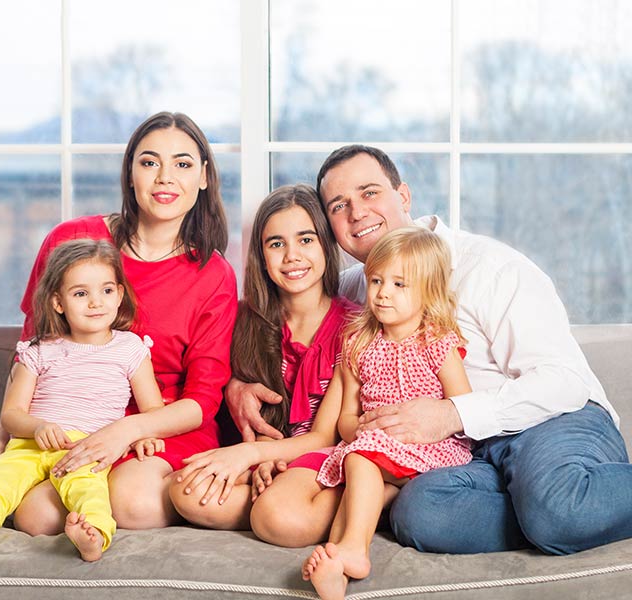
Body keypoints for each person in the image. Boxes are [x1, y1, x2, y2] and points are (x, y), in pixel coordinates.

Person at [227, 144, 631, 556]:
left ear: (403, 196)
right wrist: (238, 384)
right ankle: (535, 506)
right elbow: (291, 343)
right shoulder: (353, 292)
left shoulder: (490, 267)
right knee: (419, 516)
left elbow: (564, 381)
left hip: (548, 422)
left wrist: (452, 414)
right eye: (338, 205)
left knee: (557, 509)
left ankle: (551, 506)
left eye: (369, 193)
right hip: (462, 455)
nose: (357, 213)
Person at [0, 112, 238, 533]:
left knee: (133, 504)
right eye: (149, 162)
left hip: (158, 425)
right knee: (36, 517)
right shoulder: (71, 240)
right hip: (73, 419)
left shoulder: (213, 274)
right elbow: (31, 351)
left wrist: (125, 431)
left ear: (204, 177)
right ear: (130, 173)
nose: (165, 177)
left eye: (183, 164)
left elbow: (202, 400)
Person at [0, 239, 164, 567]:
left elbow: (153, 410)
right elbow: (12, 414)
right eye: (81, 293)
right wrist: (38, 426)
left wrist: (143, 434)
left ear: (120, 295)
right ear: (58, 302)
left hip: (85, 448)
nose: (96, 302)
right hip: (28, 446)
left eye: (107, 291)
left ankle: (94, 535)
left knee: (89, 491)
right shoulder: (38, 350)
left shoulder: (131, 349)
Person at [169, 184, 358, 535]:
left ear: (325, 245)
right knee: (185, 489)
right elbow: (251, 410)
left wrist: (249, 457)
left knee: (279, 520)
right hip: (271, 452)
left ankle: (350, 503)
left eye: (306, 240)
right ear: (261, 254)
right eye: (276, 244)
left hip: (327, 456)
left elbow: (325, 436)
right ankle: (273, 505)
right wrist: (263, 455)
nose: (292, 256)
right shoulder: (245, 319)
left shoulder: (353, 329)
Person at [301, 227, 471, 599]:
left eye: (399, 284)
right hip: (379, 452)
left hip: (433, 450)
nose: (383, 292)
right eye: (376, 280)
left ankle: (354, 553)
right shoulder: (359, 345)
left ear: (428, 291)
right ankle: (337, 568)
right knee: (359, 477)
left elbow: (463, 409)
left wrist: (401, 435)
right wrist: (363, 428)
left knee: (360, 463)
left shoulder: (437, 342)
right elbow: (346, 418)